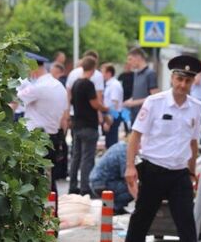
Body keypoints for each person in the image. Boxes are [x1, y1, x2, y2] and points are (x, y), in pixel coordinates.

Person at [121, 54, 201, 242]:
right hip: (154, 170)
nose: (182, 85)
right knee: (143, 217)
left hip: (179, 173)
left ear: (193, 82)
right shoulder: (155, 103)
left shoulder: (195, 107)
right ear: (172, 78)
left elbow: (193, 143)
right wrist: (130, 166)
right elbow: (135, 136)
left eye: (188, 81)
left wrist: (192, 172)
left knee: (187, 222)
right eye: (179, 79)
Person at [16, 52, 68, 194]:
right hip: (53, 137)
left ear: (32, 67)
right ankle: (52, 211)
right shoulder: (59, 86)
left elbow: (14, 101)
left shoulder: (37, 87)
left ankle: (44, 213)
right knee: (47, 178)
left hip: (35, 139)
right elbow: (64, 118)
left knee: (35, 180)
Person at [68, 56, 109, 195]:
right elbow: (94, 104)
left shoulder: (76, 83)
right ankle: (85, 188)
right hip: (88, 125)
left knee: (76, 156)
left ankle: (73, 185)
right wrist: (105, 109)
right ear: (93, 68)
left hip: (77, 124)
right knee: (87, 158)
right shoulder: (88, 84)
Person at [89, 142, 133, 215]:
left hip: (97, 181)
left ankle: (112, 207)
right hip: (103, 183)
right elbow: (127, 175)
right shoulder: (125, 152)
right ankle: (114, 207)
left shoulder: (120, 146)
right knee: (135, 187)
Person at [122, 47, 158, 124]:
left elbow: (155, 97)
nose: (129, 62)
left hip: (145, 117)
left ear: (138, 57)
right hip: (134, 115)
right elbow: (138, 94)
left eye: (130, 59)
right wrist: (130, 100)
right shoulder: (136, 74)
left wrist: (134, 103)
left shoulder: (150, 74)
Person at [101, 63, 124, 149]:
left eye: (103, 72)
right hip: (109, 115)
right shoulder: (109, 85)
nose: (101, 74)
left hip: (112, 116)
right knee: (108, 141)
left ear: (109, 73)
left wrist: (108, 121)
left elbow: (114, 103)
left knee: (111, 142)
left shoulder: (114, 85)